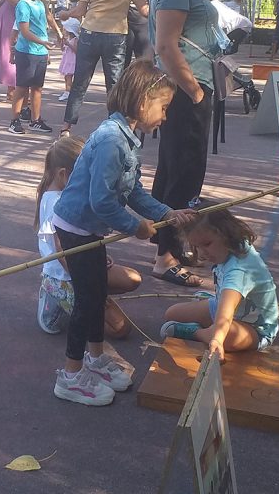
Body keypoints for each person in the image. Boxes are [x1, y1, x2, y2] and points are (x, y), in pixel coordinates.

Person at [49, 60, 196, 406]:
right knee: (87, 301)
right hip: (76, 229)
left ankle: (96, 358)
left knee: (97, 295)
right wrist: (137, 228)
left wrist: (166, 213)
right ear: (143, 101)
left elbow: (132, 192)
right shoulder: (112, 141)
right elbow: (102, 201)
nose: (165, 116)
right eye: (163, 107)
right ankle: (70, 376)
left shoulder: (128, 138)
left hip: (90, 230)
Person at [149, 0, 220, 288]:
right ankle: (166, 256)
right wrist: (194, 90)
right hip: (184, 88)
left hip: (181, 86)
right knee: (184, 174)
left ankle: (168, 245)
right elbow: (165, 44)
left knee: (174, 170)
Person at [35, 137, 141, 337]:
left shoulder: (69, 194)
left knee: (132, 279)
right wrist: (89, 287)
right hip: (65, 276)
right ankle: (53, 297)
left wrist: (97, 256)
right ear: (64, 175)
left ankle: (89, 301)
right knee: (120, 330)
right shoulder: (57, 204)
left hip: (84, 264)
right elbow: (63, 253)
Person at [159, 204, 278, 358]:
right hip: (224, 305)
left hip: (255, 329)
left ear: (226, 233)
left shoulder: (239, 272)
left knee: (226, 337)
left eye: (207, 244)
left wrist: (216, 339)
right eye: (196, 246)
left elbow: (225, 316)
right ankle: (212, 311)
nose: (202, 253)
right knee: (172, 314)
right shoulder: (231, 246)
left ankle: (198, 332)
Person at [59, 0, 148, 137]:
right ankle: (115, 127)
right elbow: (144, 9)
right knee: (114, 84)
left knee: (80, 82)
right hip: (116, 34)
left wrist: (66, 14)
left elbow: (80, 9)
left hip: (91, 32)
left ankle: (66, 127)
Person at [8, 0, 55, 135]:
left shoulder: (39, 4)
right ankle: (14, 120)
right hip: (26, 52)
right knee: (22, 88)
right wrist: (43, 42)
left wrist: (51, 40)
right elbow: (25, 31)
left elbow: (44, 24)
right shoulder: (23, 4)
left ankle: (36, 120)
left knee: (37, 88)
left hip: (40, 52)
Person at [57, 16, 80, 102]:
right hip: (67, 60)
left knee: (69, 76)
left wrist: (69, 44)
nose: (64, 30)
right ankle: (68, 91)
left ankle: (68, 92)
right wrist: (62, 44)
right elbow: (63, 49)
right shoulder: (69, 39)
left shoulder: (75, 39)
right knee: (67, 77)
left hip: (72, 61)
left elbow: (76, 50)